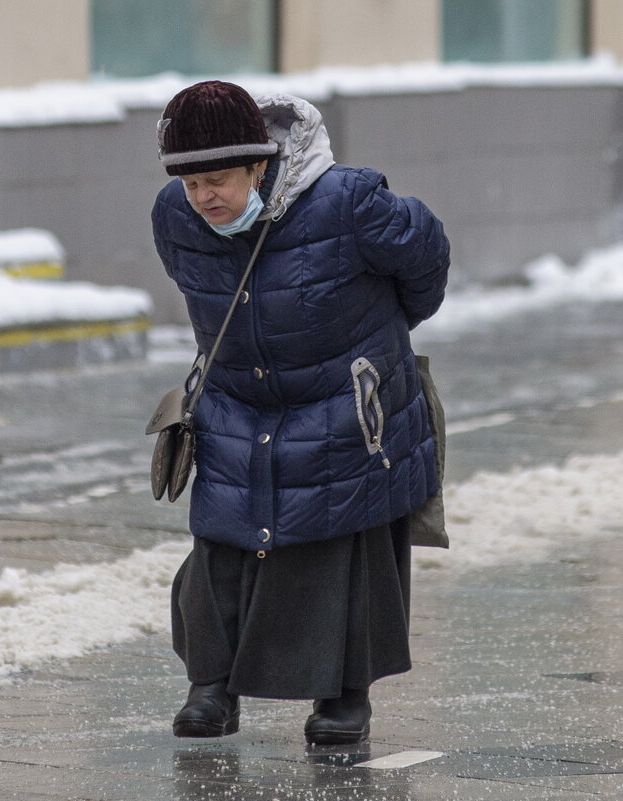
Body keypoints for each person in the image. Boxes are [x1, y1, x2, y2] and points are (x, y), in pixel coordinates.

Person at [151, 80, 450, 745]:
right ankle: (210, 688)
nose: (203, 198)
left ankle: (343, 697)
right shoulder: (173, 216)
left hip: (344, 398)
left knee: (339, 547)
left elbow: (424, 257)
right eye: (190, 183)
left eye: (219, 179)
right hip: (235, 395)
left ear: (262, 161)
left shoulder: (348, 203)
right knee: (222, 543)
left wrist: (375, 338)